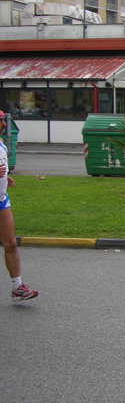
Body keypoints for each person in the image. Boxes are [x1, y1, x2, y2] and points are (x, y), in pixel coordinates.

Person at [0, 111, 38, 301]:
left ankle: (17, 287)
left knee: (11, 243)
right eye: (0, 121)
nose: (4, 124)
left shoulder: (0, 143)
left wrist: (6, 177)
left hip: (1, 200)